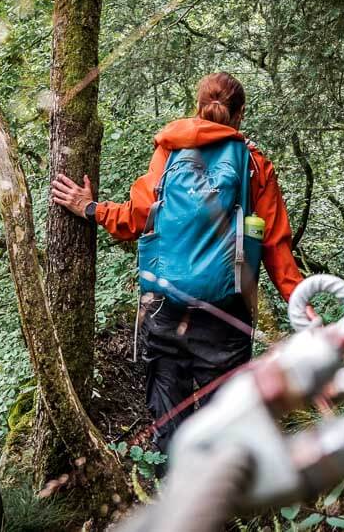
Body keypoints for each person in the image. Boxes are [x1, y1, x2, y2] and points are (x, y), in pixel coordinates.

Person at [51, 71, 307, 457]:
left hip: (165, 309)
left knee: (169, 425)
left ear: (197, 107)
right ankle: (226, 509)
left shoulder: (169, 152)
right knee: (228, 426)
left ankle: (174, 499)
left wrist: (88, 207)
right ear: (240, 115)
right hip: (226, 315)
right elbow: (275, 247)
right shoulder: (254, 164)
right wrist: (303, 307)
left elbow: (136, 220)